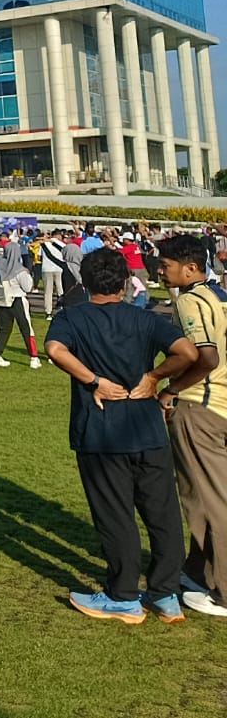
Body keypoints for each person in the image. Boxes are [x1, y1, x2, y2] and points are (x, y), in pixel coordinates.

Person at [45, 246, 195, 623]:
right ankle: (165, 593)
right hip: (147, 430)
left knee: (116, 516)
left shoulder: (72, 317)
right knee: (162, 515)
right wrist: (155, 377)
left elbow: (55, 349)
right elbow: (187, 353)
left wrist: (94, 380)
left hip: (102, 433)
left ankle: (124, 596)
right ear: (126, 283)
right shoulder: (144, 318)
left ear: (84, 283)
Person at [154, 234, 227, 617]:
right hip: (221, 405)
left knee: (212, 500)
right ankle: (197, 572)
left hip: (201, 406)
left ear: (191, 268)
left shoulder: (189, 300)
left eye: (165, 265)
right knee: (200, 497)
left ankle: (224, 591)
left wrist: (170, 388)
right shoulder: (219, 294)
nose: (159, 272)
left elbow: (206, 357)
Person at [0, 235, 40, 369]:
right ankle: (34, 358)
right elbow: (27, 287)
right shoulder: (19, 269)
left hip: (2, 299)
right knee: (26, 328)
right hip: (17, 300)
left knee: (4, 329)